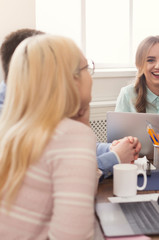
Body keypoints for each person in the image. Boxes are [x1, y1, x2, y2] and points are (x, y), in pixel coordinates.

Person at [0, 28, 141, 180]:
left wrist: (111, 148)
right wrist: (115, 158)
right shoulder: (9, 121)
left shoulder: (40, 101)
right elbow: (69, 175)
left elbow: (69, 146)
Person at [0, 34, 97, 238]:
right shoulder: (70, 136)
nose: (90, 75)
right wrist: (82, 129)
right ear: (71, 80)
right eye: (86, 68)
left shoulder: (14, 129)